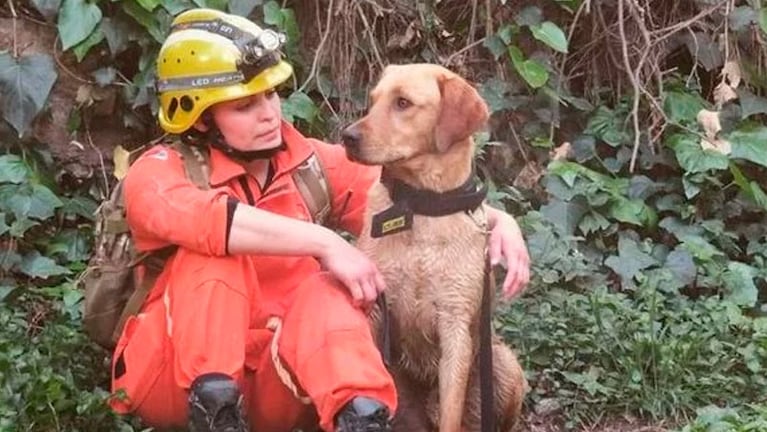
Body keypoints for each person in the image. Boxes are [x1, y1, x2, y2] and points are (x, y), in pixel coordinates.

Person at [108, 8, 530, 432]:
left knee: (328, 289)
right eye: (245, 105)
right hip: (171, 381)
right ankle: (215, 408)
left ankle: (361, 415)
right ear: (200, 118)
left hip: (282, 379)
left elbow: (412, 198)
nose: (270, 113)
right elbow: (210, 221)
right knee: (213, 256)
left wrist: (496, 219)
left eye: (271, 94)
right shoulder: (158, 171)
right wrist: (325, 242)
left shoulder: (307, 163)